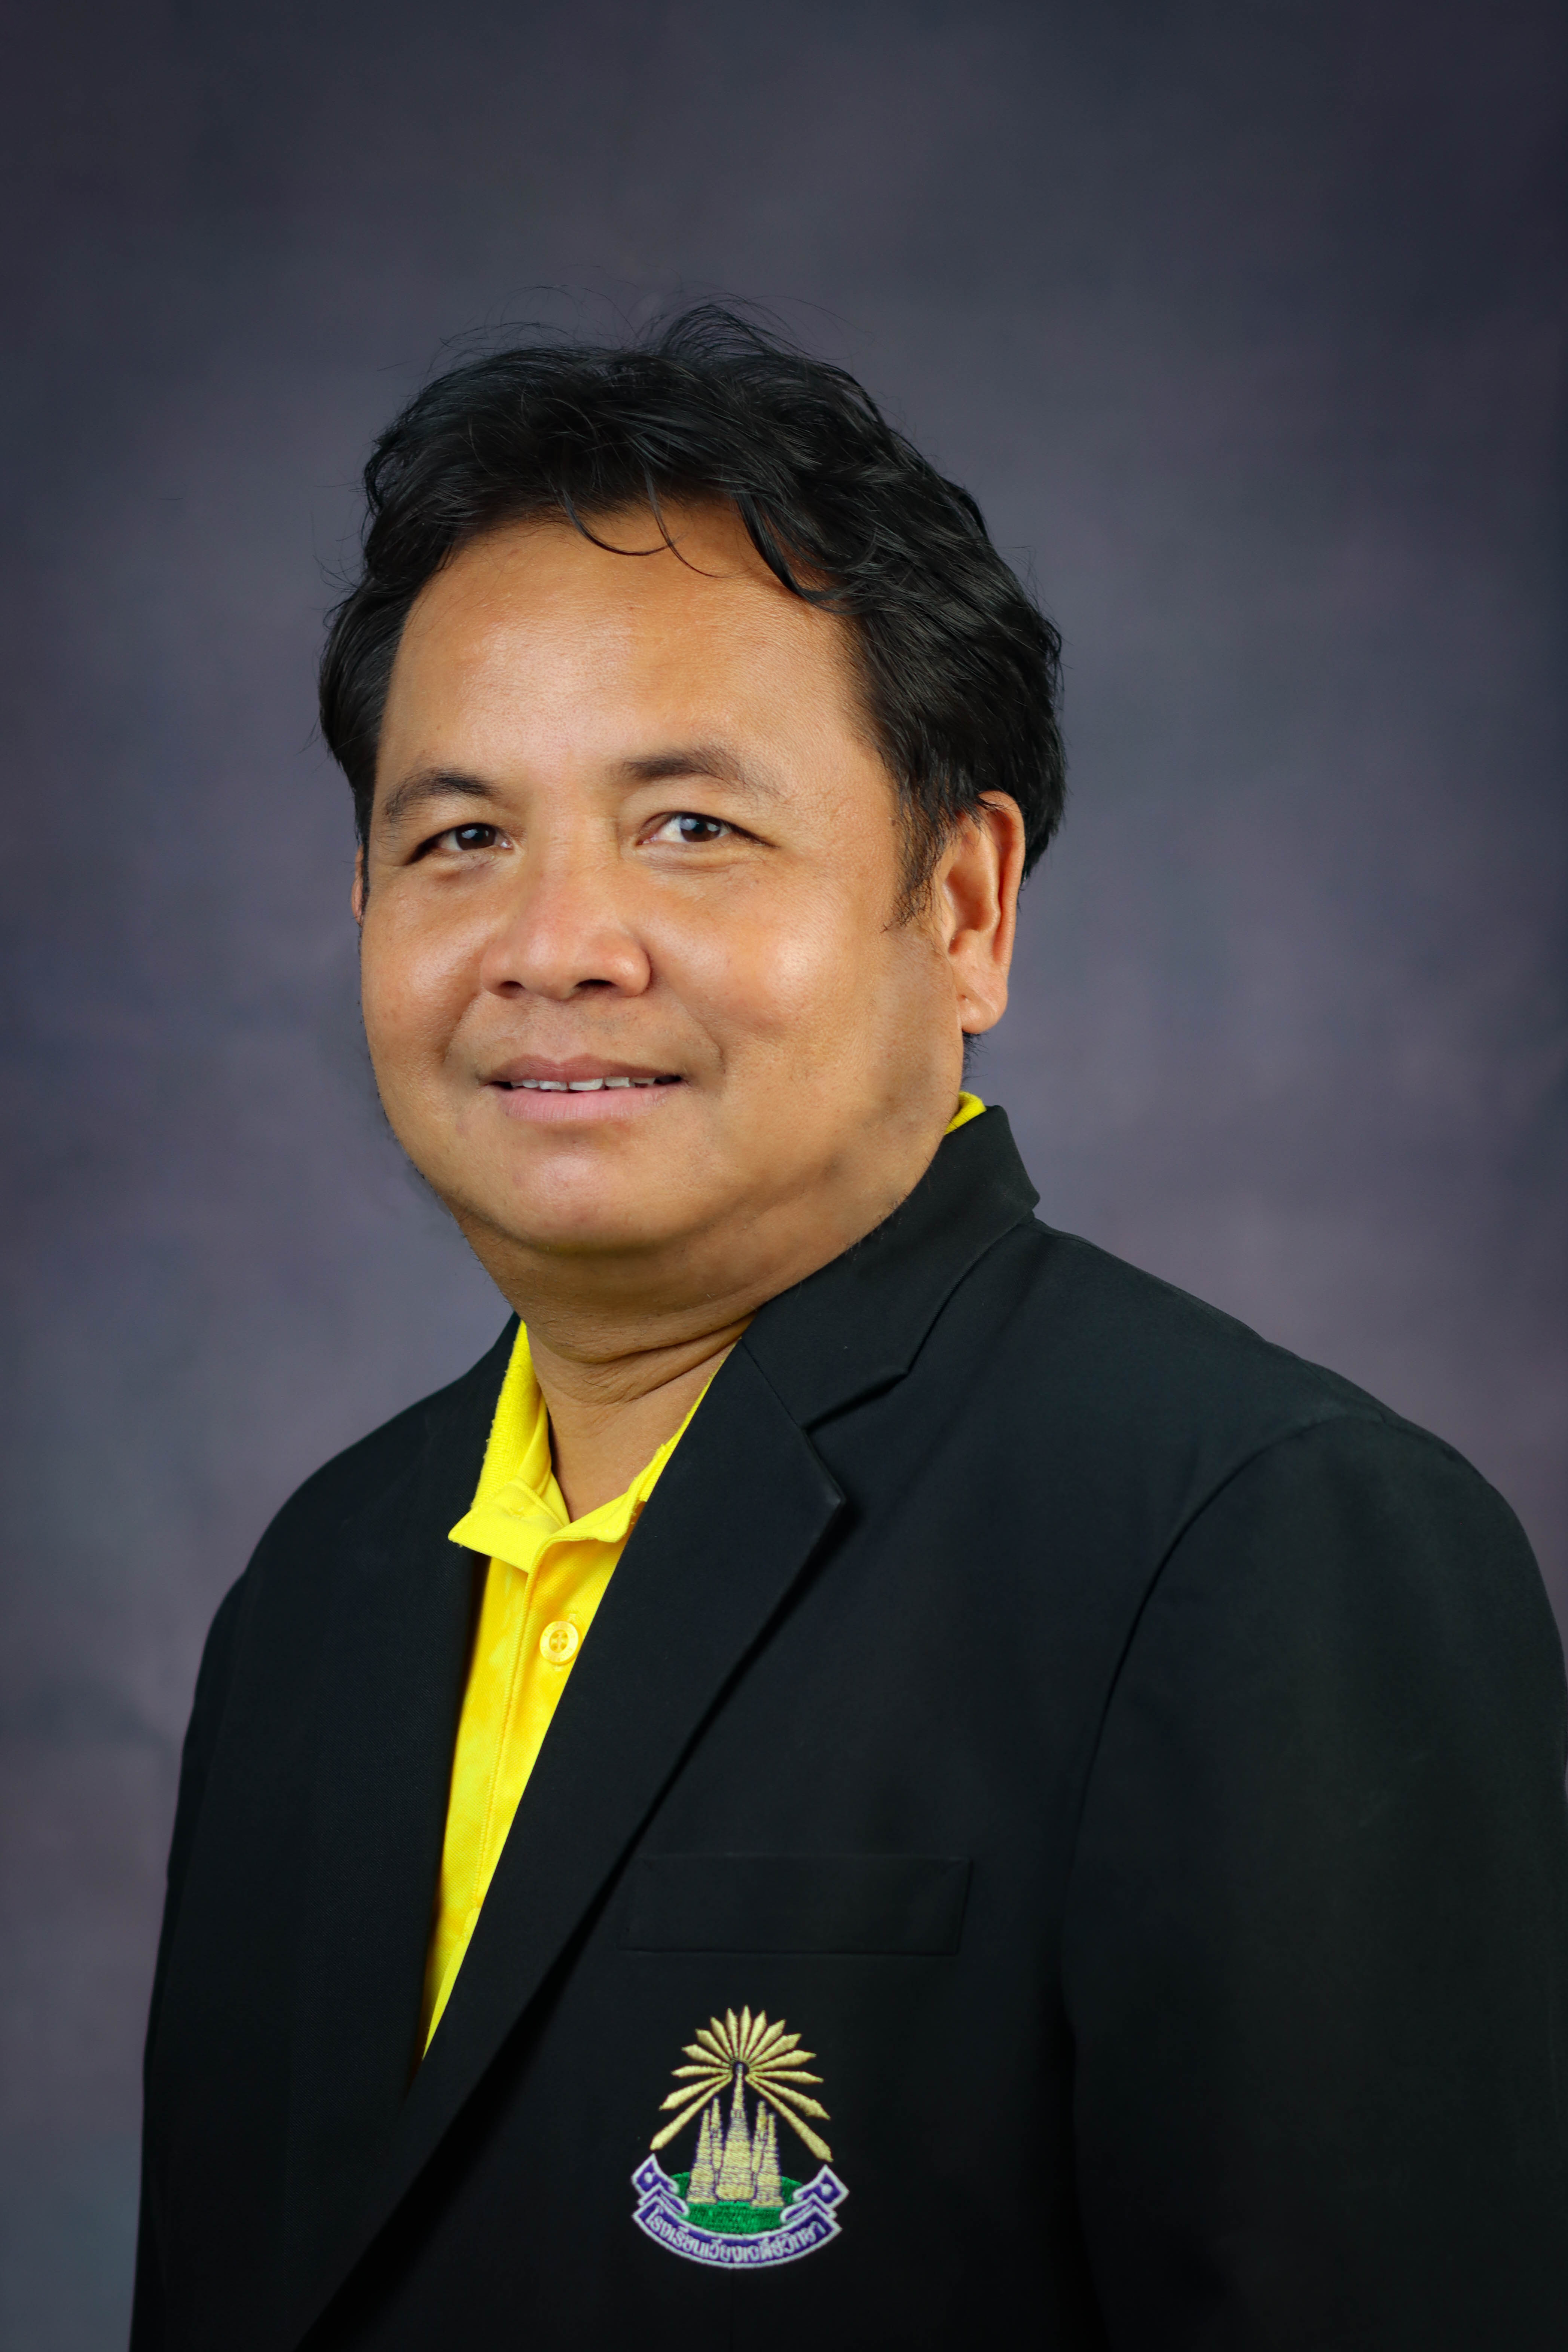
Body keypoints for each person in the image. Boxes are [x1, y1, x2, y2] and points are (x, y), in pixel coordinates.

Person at [132, 308, 1568, 2352]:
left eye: (692, 827)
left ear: (964, 907)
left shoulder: (1257, 1544)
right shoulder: (317, 1590)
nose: (556, 945)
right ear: (365, 909)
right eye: (460, 838)